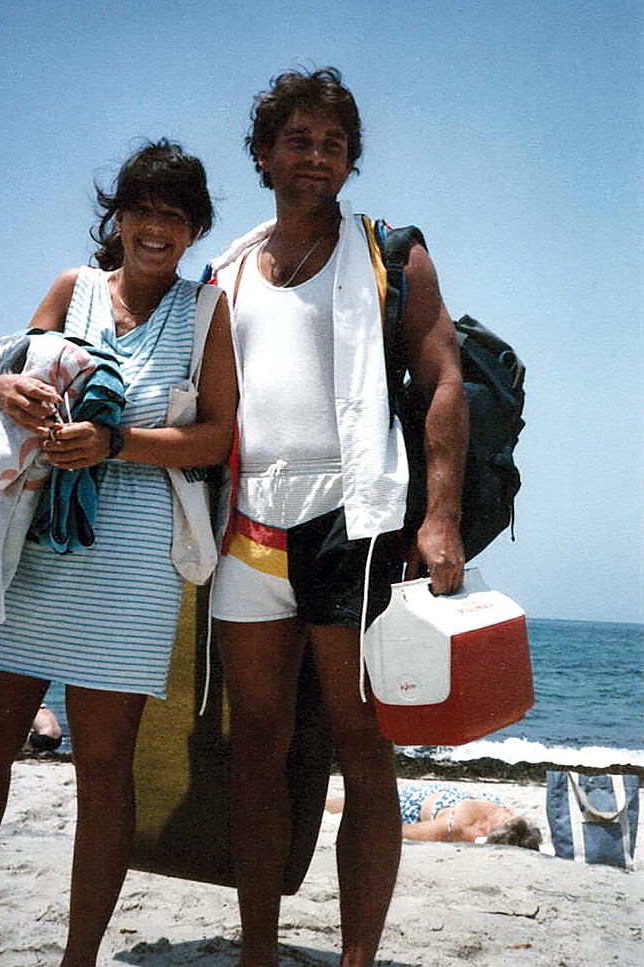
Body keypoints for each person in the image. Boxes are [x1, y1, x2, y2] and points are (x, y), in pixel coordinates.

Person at [206, 68, 469, 967]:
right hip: (247, 523)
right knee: (258, 747)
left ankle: (356, 957)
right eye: (298, 140)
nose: (315, 156)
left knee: (362, 746)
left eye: (333, 143)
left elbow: (444, 382)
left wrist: (440, 517)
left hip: (351, 520)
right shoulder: (226, 271)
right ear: (264, 153)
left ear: (350, 159)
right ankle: (258, 950)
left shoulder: (392, 255)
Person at [0, 140, 237, 967]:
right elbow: (6, 382)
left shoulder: (205, 312)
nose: (156, 227)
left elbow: (218, 438)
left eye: (175, 214)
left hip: (129, 568)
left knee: (103, 770)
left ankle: (77, 959)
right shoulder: (70, 287)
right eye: (142, 209)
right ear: (116, 216)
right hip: (27, 550)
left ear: (194, 228)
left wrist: (115, 443)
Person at [325, 783, 543, 849]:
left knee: (328, 809)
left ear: (492, 829)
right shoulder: (498, 812)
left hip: (402, 803)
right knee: (323, 805)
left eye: (507, 818)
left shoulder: (460, 827)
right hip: (420, 793)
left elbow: (396, 833)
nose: (509, 811)